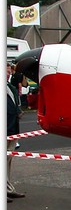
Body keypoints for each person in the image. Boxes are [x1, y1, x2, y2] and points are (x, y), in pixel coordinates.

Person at [7, 62, 25, 201]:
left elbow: (14, 104)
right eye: (6, 71)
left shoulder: (10, 87)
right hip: (6, 128)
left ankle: (7, 189)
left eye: (9, 71)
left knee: (8, 161)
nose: (8, 74)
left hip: (12, 129)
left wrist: (18, 111)